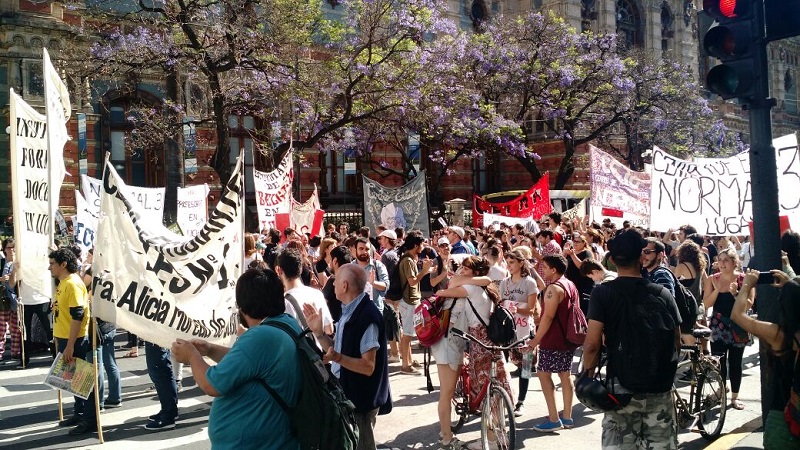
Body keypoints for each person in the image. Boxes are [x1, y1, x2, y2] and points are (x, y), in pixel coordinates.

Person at [171, 268, 301, 450]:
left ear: (243, 307)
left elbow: (212, 385)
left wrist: (192, 356)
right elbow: (248, 363)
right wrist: (209, 349)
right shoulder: (284, 324)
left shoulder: (261, 336)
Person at [582, 229, 681, 449]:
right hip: (659, 388)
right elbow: (676, 341)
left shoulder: (603, 293)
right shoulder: (662, 293)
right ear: (641, 257)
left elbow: (591, 345)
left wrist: (588, 376)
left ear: (612, 259)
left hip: (621, 389)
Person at [303, 264, 392, 450]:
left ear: (344, 286)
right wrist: (319, 333)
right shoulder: (349, 310)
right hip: (349, 395)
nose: (332, 284)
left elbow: (368, 367)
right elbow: (337, 350)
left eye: (335, 280)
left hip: (361, 400)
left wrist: (338, 358)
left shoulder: (367, 316)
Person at [434, 256, 514, 450]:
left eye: (465, 267)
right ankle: (487, 435)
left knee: (473, 391)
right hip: (484, 341)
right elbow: (484, 280)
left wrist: (459, 277)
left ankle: (487, 438)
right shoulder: (484, 287)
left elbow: (442, 290)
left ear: (475, 272)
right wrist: (472, 276)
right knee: (491, 388)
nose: (461, 269)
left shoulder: (470, 288)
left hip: (472, 343)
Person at [730, 269, 800, 448]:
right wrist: (791, 285)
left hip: (784, 419)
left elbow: (737, 316)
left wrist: (747, 284)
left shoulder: (779, 335)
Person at [48, 248, 98, 435]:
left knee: (82, 380)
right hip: (64, 338)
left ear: (63, 264)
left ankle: (90, 420)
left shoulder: (73, 283)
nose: (49, 267)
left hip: (75, 340)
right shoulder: (63, 282)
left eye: (53, 263)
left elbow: (78, 315)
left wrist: (69, 345)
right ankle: (79, 412)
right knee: (72, 380)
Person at [527, 255, 577, 432]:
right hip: (568, 338)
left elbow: (547, 316)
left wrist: (534, 341)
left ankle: (554, 419)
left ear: (554, 270)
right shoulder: (569, 283)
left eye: (546, 268)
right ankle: (567, 417)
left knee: (543, 374)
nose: (544, 270)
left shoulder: (553, 289)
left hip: (554, 338)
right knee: (565, 375)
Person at [703, 247, 752, 410]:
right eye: (720, 260)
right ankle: (721, 393)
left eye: (726, 260)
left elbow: (749, 304)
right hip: (719, 327)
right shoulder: (712, 278)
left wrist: (736, 294)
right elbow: (707, 304)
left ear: (734, 262)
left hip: (738, 326)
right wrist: (717, 289)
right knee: (719, 362)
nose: (722, 263)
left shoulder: (744, 279)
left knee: (736, 362)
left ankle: (735, 397)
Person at [500, 248, 540, 417]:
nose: (508, 266)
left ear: (521, 263)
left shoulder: (529, 282)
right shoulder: (504, 283)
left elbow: (531, 309)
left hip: (525, 329)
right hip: (507, 328)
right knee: (502, 363)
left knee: (525, 367)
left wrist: (514, 307)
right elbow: (501, 304)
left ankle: (521, 401)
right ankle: (502, 397)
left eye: (512, 262)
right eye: (507, 263)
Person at [397, 230, 433, 374]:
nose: (424, 246)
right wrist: (424, 271)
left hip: (411, 299)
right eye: (422, 244)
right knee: (407, 334)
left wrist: (426, 270)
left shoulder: (409, 259)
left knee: (409, 333)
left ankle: (409, 360)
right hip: (408, 300)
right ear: (416, 245)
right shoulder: (407, 260)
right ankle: (405, 365)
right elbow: (412, 282)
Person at [276, 248, 334, 337]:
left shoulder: (281, 302)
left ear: (279, 270)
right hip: (317, 348)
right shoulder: (317, 294)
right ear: (301, 269)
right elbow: (329, 329)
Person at [353, 237, 389, 313]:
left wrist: (373, 283)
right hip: (356, 311)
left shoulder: (377, 265)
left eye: (367, 249)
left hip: (375, 310)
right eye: (361, 249)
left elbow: (385, 286)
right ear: (355, 250)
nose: (364, 252)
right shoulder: (350, 267)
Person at [0, 238, 22, 364]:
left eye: (13, 247)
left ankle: (15, 352)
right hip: (2, 299)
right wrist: (1, 279)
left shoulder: (19, 263)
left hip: (15, 298)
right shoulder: (1, 262)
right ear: (4, 249)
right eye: (9, 247)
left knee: (15, 328)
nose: (12, 250)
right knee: (2, 329)